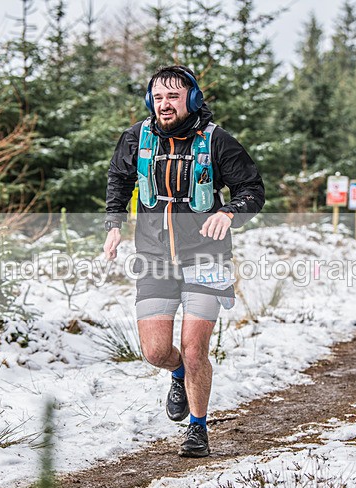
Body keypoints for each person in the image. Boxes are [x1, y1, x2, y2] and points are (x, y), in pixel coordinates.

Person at [102, 65, 264, 457]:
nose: (164, 104)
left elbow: (252, 189)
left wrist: (228, 213)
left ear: (191, 99)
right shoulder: (136, 139)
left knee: (194, 350)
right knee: (156, 352)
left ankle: (197, 427)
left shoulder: (217, 141)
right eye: (158, 97)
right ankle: (176, 374)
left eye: (173, 96)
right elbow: (119, 180)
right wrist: (113, 224)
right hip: (154, 257)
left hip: (206, 257)